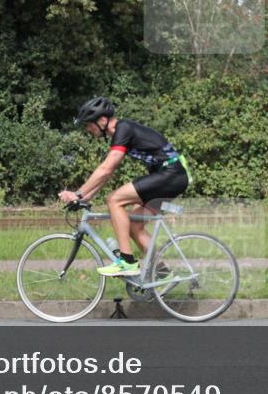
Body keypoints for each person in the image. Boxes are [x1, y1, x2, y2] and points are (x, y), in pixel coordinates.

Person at [58, 96, 190, 276]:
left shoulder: (123, 129)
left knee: (114, 200)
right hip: (171, 176)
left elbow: (105, 169)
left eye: (89, 124)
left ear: (102, 120)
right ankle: (163, 273)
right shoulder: (123, 132)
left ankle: (127, 262)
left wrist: (78, 193)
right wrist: (87, 197)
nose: (88, 129)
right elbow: (108, 173)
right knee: (134, 224)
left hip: (170, 174)